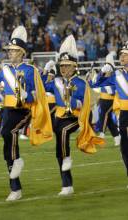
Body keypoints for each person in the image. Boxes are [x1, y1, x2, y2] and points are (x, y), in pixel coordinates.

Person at [0, 26, 53, 201]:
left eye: (13, 51)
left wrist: (28, 95)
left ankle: (17, 161)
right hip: (8, 109)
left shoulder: (30, 70)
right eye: (9, 50)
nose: (10, 53)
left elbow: (38, 92)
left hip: (24, 109)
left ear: (21, 52)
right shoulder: (4, 70)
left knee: (7, 133)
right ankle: (15, 188)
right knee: (7, 148)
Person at [44, 35, 104, 196]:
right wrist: (48, 70)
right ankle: (67, 184)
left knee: (63, 133)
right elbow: (41, 84)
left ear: (74, 66)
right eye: (61, 66)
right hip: (60, 117)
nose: (63, 69)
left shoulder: (80, 83)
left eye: (67, 66)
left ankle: (67, 159)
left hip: (77, 118)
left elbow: (87, 103)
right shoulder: (57, 81)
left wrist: (74, 101)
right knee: (59, 148)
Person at [89, 41, 128, 181]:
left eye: (125, 54)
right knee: (125, 149)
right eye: (121, 54)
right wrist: (102, 72)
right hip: (124, 114)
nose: (122, 57)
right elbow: (94, 84)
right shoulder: (117, 74)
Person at [89, 53, 120, 146]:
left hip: (111, 100)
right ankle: (117, 137)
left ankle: (101, 135)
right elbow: (93, 84)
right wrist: (99, 74)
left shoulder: (115, 75)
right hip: (103, 99)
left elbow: (114, 89)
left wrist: (102, 86)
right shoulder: (103, 75)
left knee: (104, 115)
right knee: (108, 119)